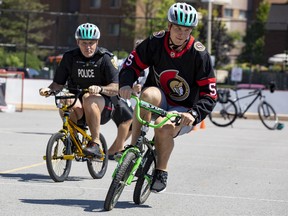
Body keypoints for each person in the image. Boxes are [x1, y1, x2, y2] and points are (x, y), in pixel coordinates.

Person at [118, 2, 217, 193]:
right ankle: (134, 149)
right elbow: (131, 65)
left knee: (164, 126)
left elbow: (210, 94)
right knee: (147, 94)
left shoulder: (199, 54)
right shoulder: (155, 42)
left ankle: (161, 171)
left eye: (186, 30)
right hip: (159, 99)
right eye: (178, 28)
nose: (181, 34)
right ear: (169, 26)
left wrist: (195, 114)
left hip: (185, 110)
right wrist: (125, 84)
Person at [39, 23, 133, 159]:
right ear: (77, 42)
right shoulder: (69, 58)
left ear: (97, 42)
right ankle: (71, 138)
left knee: (89, 97)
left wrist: (101, 89)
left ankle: (95, 142)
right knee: (65, 98)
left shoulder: (105, 58)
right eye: (84, 43)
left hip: (103, 105)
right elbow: (58, 84)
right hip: (78, 102)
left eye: (91, 43)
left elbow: (116, 87)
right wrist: (48, 90)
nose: (88, 47)